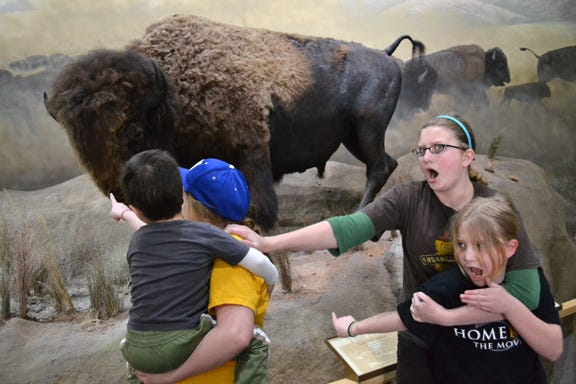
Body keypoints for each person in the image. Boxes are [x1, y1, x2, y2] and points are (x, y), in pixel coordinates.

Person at [226, 114, 542, 383]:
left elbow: (527, 293)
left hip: (481, 346)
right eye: (421, 150)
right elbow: (348, 228)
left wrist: (448, 316)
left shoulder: (497, 208)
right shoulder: (408, 198)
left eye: (438, 148)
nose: (425, 157)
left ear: (467, 156)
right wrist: (269, 242)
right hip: (422, 347)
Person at [332, 195, 562, 383]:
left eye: (480, 246)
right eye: (461, 245)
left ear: (510, 248)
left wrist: (510, 306)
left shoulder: (531, 283)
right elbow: (402, 318)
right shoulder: (447, 286)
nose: (469, 257)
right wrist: (353, 328)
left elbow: (552, 349)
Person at [112, 150, 278, 384]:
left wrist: (169, 377)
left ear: (191, 204)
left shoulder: (229, 262)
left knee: (253, 341)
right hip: (177, 353)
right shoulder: (210, 240)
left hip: (140, 349)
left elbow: (236, 336)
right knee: (258, 340)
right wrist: (272, 279)